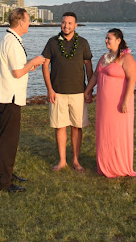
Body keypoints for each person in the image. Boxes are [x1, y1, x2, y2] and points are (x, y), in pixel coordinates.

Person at [0, 8, 45, 192]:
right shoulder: (12, 42)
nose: (30, 23)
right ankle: (3, 182)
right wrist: (34, 62)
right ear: (20, 21)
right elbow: (16, 72)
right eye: (28, 20)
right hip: (10, 97)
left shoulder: (8, 39)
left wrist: (27, 66)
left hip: (6, 95)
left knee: (6, 138)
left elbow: (15, 68)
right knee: (9, 140)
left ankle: (5, 173)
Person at [42, 12, 93, 172]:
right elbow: (45, 65)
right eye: (64, 23)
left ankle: (76, 161)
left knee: (77, 127)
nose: (66, 26)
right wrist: (49, 89)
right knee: (60, 126)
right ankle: (62, 161)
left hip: (79, 92)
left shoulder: (83, 43)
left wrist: (89, 90)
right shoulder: (52, 42)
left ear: (75, 25)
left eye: (70, 23)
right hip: (57, 93)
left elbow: (89, 67)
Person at [84, 28, 136, 178]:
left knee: (118, 133)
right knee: (105, 132)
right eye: (106, 38)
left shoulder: (127, 58)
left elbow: (132, 79)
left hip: (120, 103)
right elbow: (95, 75)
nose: (106, 41)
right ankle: (105, 164)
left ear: (118, 40)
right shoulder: (104, 57)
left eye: (109, 38)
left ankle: (119, 166)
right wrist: (88, 90)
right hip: (104, 104)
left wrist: (126, 100)